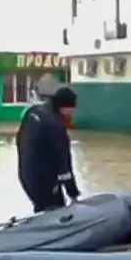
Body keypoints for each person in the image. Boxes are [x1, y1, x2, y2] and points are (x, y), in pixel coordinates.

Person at [16, 85, 80, 213]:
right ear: (64, 107)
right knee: (57, 212)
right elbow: (64, 164)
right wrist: (73, 194)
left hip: (26, 175)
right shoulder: (56, 126)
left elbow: (19, 139)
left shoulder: (33, 111)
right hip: (44, 181)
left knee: (41, 209)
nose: (70, 114)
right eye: (70, 110)